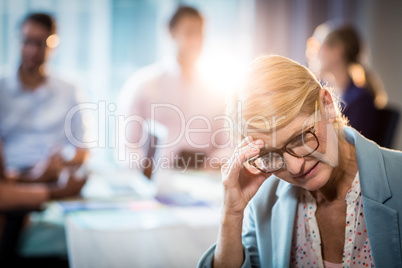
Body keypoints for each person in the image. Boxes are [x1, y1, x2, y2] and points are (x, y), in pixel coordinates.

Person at [198, 55, 402, 267]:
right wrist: (231, 214)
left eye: (301, 138)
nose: (295, 167)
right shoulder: (264, 202)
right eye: (270, 155)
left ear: (327, 105)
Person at [0, 13, 88, 260]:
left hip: (55, 172)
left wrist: (61, 164)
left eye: (40, 43)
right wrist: (36, 180)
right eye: (27, 41)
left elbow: (82, 148)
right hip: (14, 176)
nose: (32, 50)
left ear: (53, 45)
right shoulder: (2, 90)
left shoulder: (68, 89)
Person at [118, 6, 230, 174]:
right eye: (189, 32)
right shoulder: (143, 85)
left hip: (204, 182)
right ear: (170, 33)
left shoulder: (218, 91)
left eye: (200, 34)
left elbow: (228, 144)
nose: (196, 41)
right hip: (156, 179)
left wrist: (212, 164)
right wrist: (145, 166)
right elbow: (127, 146)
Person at [316, 24, 387, 143]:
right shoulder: (326, 91)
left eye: (321, 48)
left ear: (337, 51)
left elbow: (351, 145)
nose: (317, 54)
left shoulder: (361, 100)